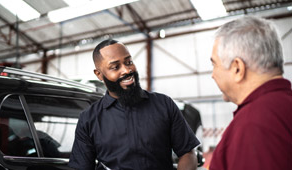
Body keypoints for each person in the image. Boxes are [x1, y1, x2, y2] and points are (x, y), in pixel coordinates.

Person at [69, 39, 200, 170]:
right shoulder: (89, 119)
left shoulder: (164, 104)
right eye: (115, 67)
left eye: (129, 62)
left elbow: (187, 153)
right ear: (99, 74)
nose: (126, 70)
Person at [209, 16, 292, 170]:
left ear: (237, 68)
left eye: (214, 65)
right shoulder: (283, 107)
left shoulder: (254, 125)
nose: (212, 75)